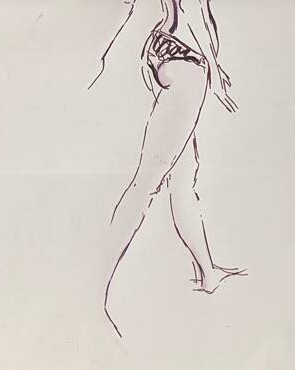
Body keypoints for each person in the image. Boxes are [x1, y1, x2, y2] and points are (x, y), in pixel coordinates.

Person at [91, 0, 245, 336]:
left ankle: (208, 272)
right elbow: (193, 10)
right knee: (147, 183)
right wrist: (213, 70)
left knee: (182, 179)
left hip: (166, 53)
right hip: (188, 62)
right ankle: (93, 295)